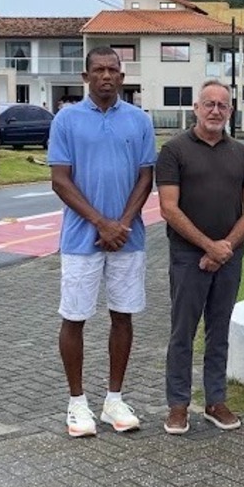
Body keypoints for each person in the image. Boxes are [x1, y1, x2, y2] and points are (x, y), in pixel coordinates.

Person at [48, 46, 157, 438]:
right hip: (81, 239)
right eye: (99, 70)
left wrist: (122, 224)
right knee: (74, 316)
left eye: (113, 70)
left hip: (128, 238)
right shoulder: (66, 119)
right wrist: (100, 223)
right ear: (86, 76)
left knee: (122, 315)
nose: (106, 76)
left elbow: (146, 177)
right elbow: (60, 179)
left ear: (122, 78)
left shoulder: (139, 121)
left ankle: (114, 399)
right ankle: (77, 403)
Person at [157, 80, 244, 434]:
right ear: (196, 108)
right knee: (182, 332)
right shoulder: (173, 151)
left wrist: (224, 248)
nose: (215, 110)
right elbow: (169, 208)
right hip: (188, 258)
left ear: (230, 111)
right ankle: (178, 405)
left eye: (222, 105)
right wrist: (207, 246)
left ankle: (216, 400)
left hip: (229, 258)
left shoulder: (241, 154)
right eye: (209, 104)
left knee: (219, 332)